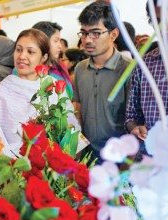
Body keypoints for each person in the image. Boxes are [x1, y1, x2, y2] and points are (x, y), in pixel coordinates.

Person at [0, 28, 80, 157]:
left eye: (30, 51)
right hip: (9, 169)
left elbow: (71, 133)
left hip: (48, 170)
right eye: (19, 49)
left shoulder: (54, 88)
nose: (22, 56)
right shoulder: (2, 90)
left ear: (43, 57)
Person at [73, 1, 131, 164]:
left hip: (119, 161)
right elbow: (78, 110)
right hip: (88, 158)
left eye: (95, 33)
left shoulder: (129, 70)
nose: (88, 40)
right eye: (84, 33)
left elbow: (134, 122)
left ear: (113, 34)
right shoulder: (80, 69)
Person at [125, 0, 168, 152]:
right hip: (153, 160)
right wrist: (135, 128)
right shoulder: (144, 64)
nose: (163, 28)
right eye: (158, 21)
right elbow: (131, 116)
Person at [31, 21, 74, 100]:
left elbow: (70, 97)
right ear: (42, 41)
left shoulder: (60, 66)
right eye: (55, 41)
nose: (60, 46)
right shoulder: (26, 70)